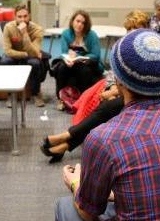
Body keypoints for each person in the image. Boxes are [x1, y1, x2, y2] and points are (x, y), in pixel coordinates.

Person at [54, 29, 160, 221]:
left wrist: (75, 183)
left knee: (65, 207)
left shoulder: (103, 138)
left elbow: (87, 213)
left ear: (118, 81)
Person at [41, 10, 149, 163]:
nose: (132, 33)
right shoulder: (123, 47)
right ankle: (65, 144)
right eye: (129, 30)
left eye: (136, 29)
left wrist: (115, 91)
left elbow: (142, 82)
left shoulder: (149, 52)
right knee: (99, 101)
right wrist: (109, 88)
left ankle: (66, 138)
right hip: (121, 89)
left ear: (145, 30)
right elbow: (114, 72)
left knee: (106, 107)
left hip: (141, 95)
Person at [52, 10, 104, 111]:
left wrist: (79, 55)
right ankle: (61, 99)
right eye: (78, 21)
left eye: (83, 22)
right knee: (61, 68)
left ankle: (82, 100)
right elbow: (64, 52)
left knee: (84, 70)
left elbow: (96, 55)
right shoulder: (66, 34)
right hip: (72, 62)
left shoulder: (91, 35)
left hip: (88, 63)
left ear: (86, 24)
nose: (80, 24)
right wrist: (67, 59)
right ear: (72, 21)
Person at [0, 4, 45, 107]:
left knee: (35, 63)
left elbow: (34, 53)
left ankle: (36, 93)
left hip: (30, 57)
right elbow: (7, 51)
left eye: (25, 16)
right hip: (15, 55)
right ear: (15, 17)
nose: (23, 19)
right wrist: (25, 54)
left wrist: (25, 34)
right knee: (5, 62)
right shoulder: (8, 27)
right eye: (19, 17)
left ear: (29, 16)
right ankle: (10, 94)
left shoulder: (37, 29)